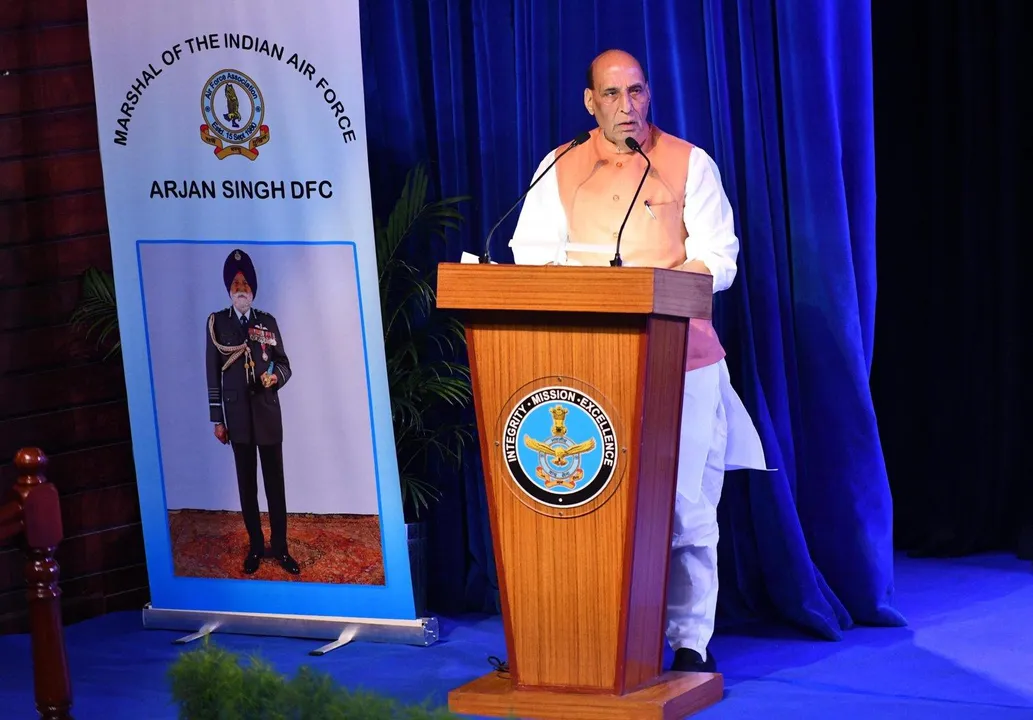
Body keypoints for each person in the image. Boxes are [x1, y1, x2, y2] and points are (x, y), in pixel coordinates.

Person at [509, 49, 769, 673]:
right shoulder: (558, 168)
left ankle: (689, 640)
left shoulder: (688, 163)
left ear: (649, 94)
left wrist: (652, 293)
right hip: (585, 371)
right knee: (592, 508)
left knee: (684, 507)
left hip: (683, 362)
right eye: (613, 95)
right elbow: (527, 258)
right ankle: (592, 636)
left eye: (637, 92)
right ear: (590, 102)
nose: (628, 107)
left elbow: (721, 259)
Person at [205, 248, 300, 577]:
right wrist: (217, 419)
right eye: (235, 283)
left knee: (275, 484)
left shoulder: (267, 322)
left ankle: (282, 547)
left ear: (254, 288)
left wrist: (276, 377)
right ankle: (256, 546)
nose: (240, 287)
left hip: (267, 413)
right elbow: (211, 371)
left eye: (245, 282)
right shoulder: (218, 324)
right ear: (229, 289)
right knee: (247, 486)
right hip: (239, 419)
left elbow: (285, 363)